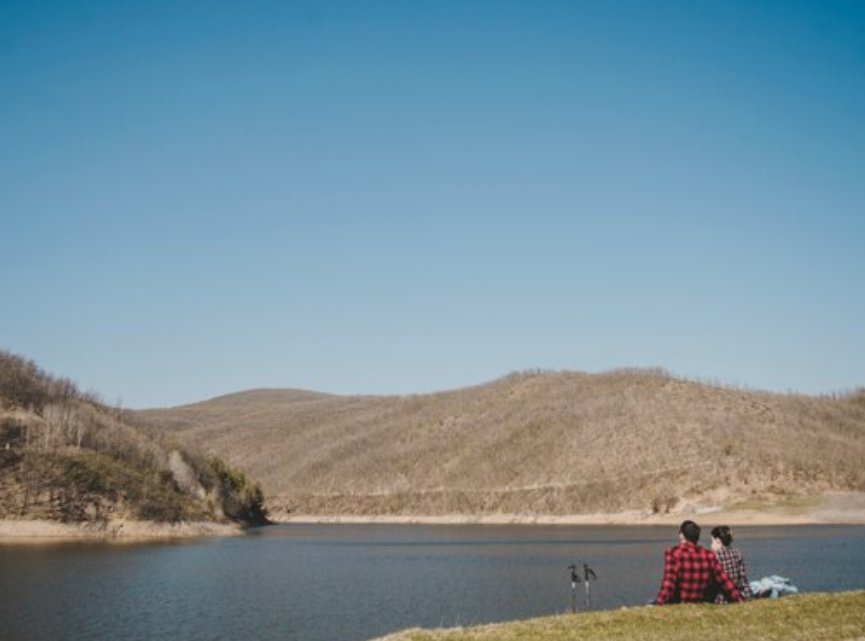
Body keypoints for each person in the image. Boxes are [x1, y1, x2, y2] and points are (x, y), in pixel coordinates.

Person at [654, 520, 743, 605]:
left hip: (680, 601)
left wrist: (659, 603)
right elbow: (725, 580)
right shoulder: (709, 555)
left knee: (651, 602)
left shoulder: (673, 553)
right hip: (701, 601)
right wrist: (739, 599)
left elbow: (669, 584)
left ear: (683, 536)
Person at [710, 525, 752, 603]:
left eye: (712, 541)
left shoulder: (714, 556)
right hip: (739, 594)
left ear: (718, 541)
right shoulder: (737, 553)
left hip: (721, 598)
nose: (711, 544)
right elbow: (743, 579)